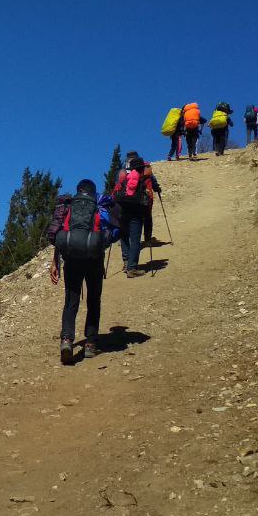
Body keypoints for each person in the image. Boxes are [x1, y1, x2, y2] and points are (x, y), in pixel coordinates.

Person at [49, 179, 119, 364]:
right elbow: (112, 231)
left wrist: (55, 262)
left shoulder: (69, 207)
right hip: (94, 259)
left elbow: (58, 234)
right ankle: (90, 343)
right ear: (93, 192)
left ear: (78, 191)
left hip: (71, 259)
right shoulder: (100, 205)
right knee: (93, 300)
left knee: (71, 301)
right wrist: (102, 243)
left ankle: (66, 340)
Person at [111, 156, 153, 277]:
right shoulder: (143, 180)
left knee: (124, 236)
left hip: (122, 212)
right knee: (135, 240)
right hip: (136, 213)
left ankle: (126, 262)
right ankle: (132, 268)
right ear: (141, 168)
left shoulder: (124, 180)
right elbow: (148, 199)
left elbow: (114, 194)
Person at [121, 151, 161, 245]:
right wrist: (157, 189)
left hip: (128, 198)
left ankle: (128, 239)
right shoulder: (144, 167)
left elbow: (119, 184)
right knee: (147, 217)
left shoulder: (124, 170)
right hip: (144, 198)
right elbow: (152, 179)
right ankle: (147, 239)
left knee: (129, 218)